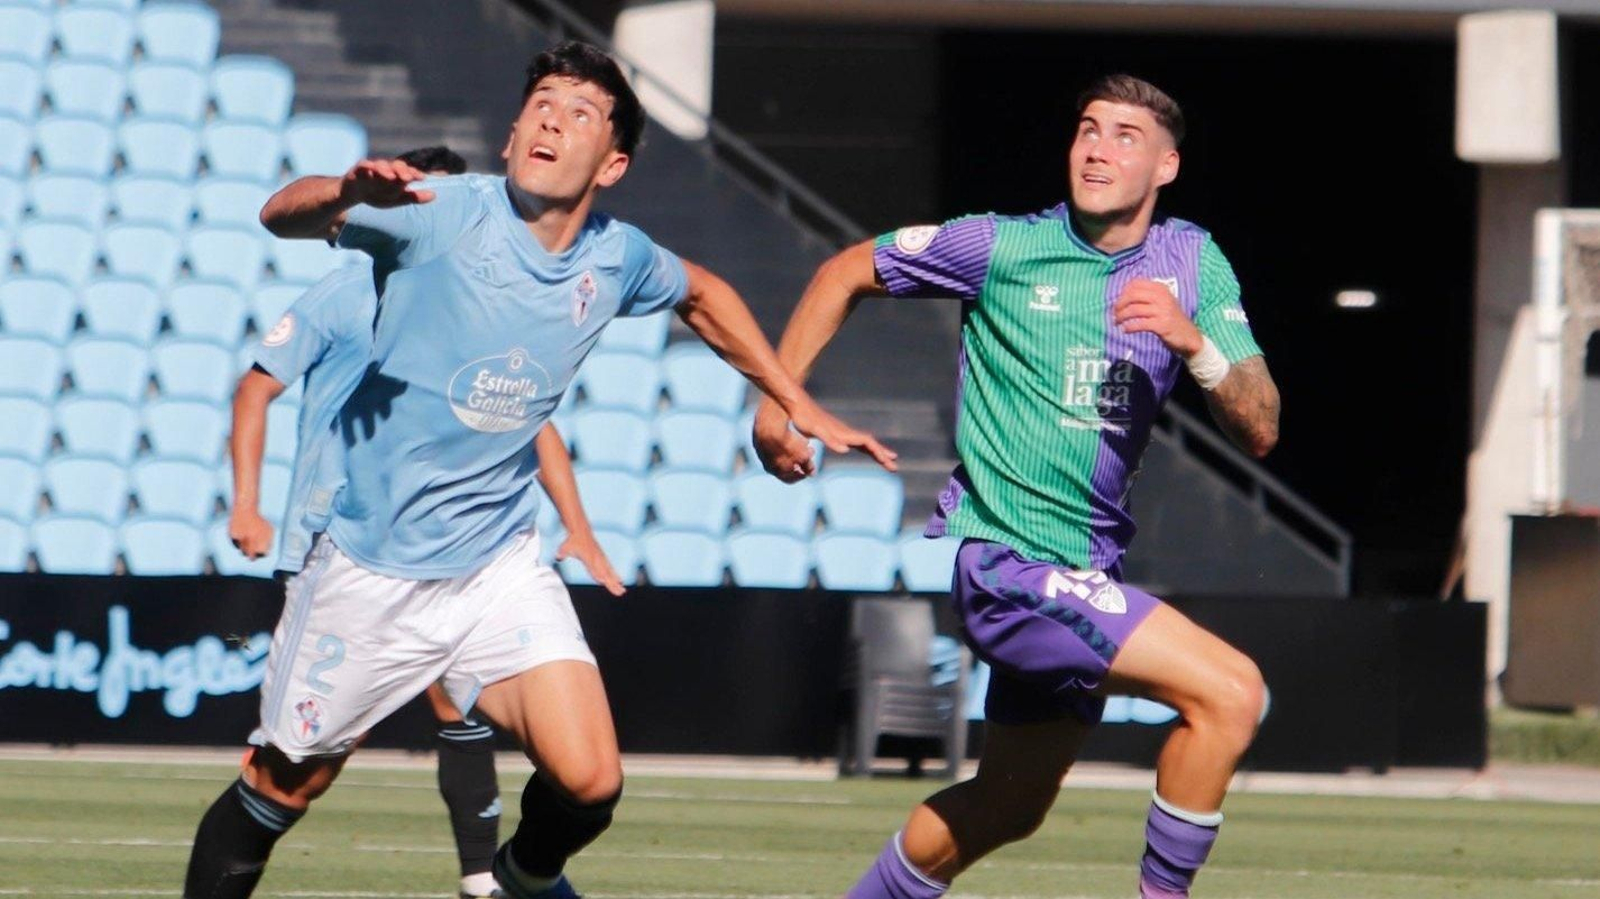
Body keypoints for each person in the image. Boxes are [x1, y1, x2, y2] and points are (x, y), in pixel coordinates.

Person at [182, 40, 893, 899]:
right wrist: (342, 193)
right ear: (515, 132)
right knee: (282, 787)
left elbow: (702, 294)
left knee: (591, 779)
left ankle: (517, 882)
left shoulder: (615, 256)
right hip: (369, 572)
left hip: (494, 568)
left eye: (582, 112)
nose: (555, 118)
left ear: (614, 162)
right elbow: (279, 213)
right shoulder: (440, 209)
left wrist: (787, 397)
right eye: (543, 103)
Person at [753, 74, 1280, 899]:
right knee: (1233, 691)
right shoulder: (1000, 245)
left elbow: (1259, 425)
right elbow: (845, 270)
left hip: (1082, 570)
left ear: (1166, 166)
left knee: (1007, 804)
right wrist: (782, 401)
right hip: (1007, 565)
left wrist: (1194, 345)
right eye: (1088, 130)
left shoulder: (1192, 260)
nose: (1098, 148)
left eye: (1125, 136)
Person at [227, 144, 624, 899]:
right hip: (340, 538)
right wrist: (246, 502)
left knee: (459, 705)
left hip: (450, 546)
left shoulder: (477, 303)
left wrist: (579, 525)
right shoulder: (340, 294)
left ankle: (485, 878)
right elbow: (256, 389)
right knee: (303, 767)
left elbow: (530, 421)